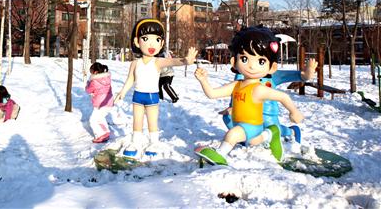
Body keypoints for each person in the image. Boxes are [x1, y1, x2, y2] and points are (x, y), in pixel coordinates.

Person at [194, 26, 304, 165]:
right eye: (245, 59)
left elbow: (283, 97)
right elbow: (212, 94)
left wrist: (294, 111)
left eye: (261, 61)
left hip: (252, 126)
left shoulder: (258, 89)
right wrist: (204, 81)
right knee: (253, 141)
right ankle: (271, 134)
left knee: (233, 134)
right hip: (245, 127)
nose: (252, 66)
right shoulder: (236, 85)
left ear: (272, 67)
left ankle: (220, 154)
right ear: (234, 62)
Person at [114, 18, 197, 158]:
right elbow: (130, 79)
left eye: (157, 40)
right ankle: (135, 142)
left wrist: (186, 61)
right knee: (137, 120)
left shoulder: (158, 62)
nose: (152, 44)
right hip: (138, 96)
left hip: (152, 96)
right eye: (146, 38)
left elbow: (173, 61)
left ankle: (154, 142)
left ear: (162, 43)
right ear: (136, 42)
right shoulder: (135, 63)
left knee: (152, 121)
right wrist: (122, 92)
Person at [220, 56, 316, 144]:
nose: (252, 66)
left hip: (266, 112)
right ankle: (243, 138)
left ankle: (292, 131)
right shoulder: (242, 75)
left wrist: (307, 73)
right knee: (228, 118)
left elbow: (297, 76)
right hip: (247, 111)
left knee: (271, 127)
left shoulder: (272, 75)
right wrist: (232, 107)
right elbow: (237, 92)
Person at [85, 62, 114, 143]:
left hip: (100, 104)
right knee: (100, 118)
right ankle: (106, 133)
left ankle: (100, 135)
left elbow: (88, 90)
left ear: (95, 72)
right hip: (108, 102)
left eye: (91, 72)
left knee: (93, 120)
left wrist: (87, 83)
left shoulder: (94, 81)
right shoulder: (107, 78)